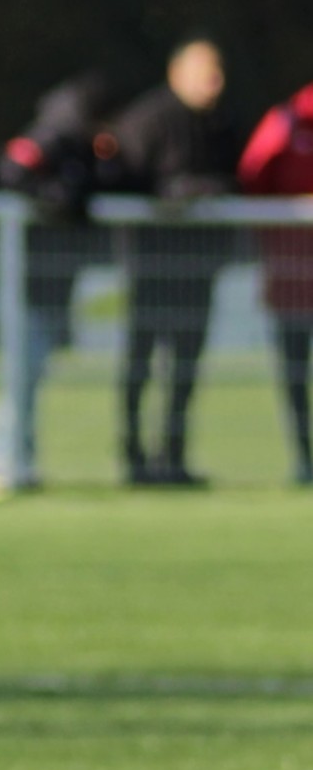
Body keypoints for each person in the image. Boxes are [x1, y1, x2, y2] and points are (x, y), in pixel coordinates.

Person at [108, 38, 241, 486]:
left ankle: (174, 456)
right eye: (206, 72)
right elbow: (123, 180)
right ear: (177, 73)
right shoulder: (149, 118)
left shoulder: (220, 122)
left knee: (186, 366)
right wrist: (173, 195)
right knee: (140, 361)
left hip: (198, 267)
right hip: (150, 264)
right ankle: (134, 456)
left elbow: (235, 179)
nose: (214, 83)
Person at [0, 72, 113, 499]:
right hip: (24, 280)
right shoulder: (52, 136)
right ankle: (3, 465)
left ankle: (22, 462)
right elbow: (12, 170)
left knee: (30, 378)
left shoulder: (78, 144)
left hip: (53, 280)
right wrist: (56, 197)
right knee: (19, 378)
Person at [237, 78, 313, 486]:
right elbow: (253, 177)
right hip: (292, 277)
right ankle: (304, 457)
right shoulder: (286, 121)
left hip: (292, 274)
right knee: (295, 370)